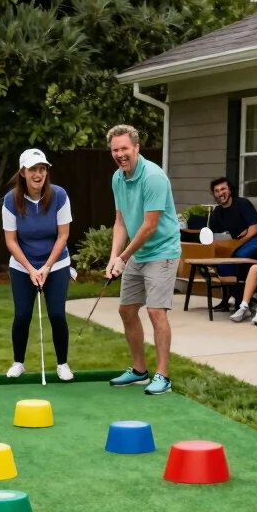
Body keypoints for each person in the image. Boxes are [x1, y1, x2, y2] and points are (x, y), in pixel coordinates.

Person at [106, 125, 182, 395]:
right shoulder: (118, 178)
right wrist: (114, 256)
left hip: (162, 249)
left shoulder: (153, 177)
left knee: (155, 311)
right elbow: (120, 222)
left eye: (125, 148)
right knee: (126, 310)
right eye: (115, 150)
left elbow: (150, 226)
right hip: (139, 252)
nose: (120, 154)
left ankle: (163, 376)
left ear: (137, 148)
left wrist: (124, 257)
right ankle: (139, 370)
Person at [3, 149, 74, 381]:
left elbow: (63, 236)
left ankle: (63, 364)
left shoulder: (59, 195)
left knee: (56, 314)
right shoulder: (10, 200)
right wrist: (32, 269)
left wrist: (46, 267)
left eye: (42, 169)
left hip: (57, 263)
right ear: (23, 172)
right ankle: (18, 362)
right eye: (33, 169)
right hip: (23, 265)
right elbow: (11, 241)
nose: (38, 174)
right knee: (22, 314)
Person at [207, 177, 257, 311]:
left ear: (230, 190)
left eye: (223, 189)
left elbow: (253, 229)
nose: (220, 193)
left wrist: (237, 243)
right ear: (214, 194)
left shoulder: (242, 204)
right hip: (239, 245)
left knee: (241, 254)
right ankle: (233, 298)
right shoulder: (216, 214)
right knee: (222, 262)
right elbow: (213, 236)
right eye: (216, 191)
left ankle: (242, 300)